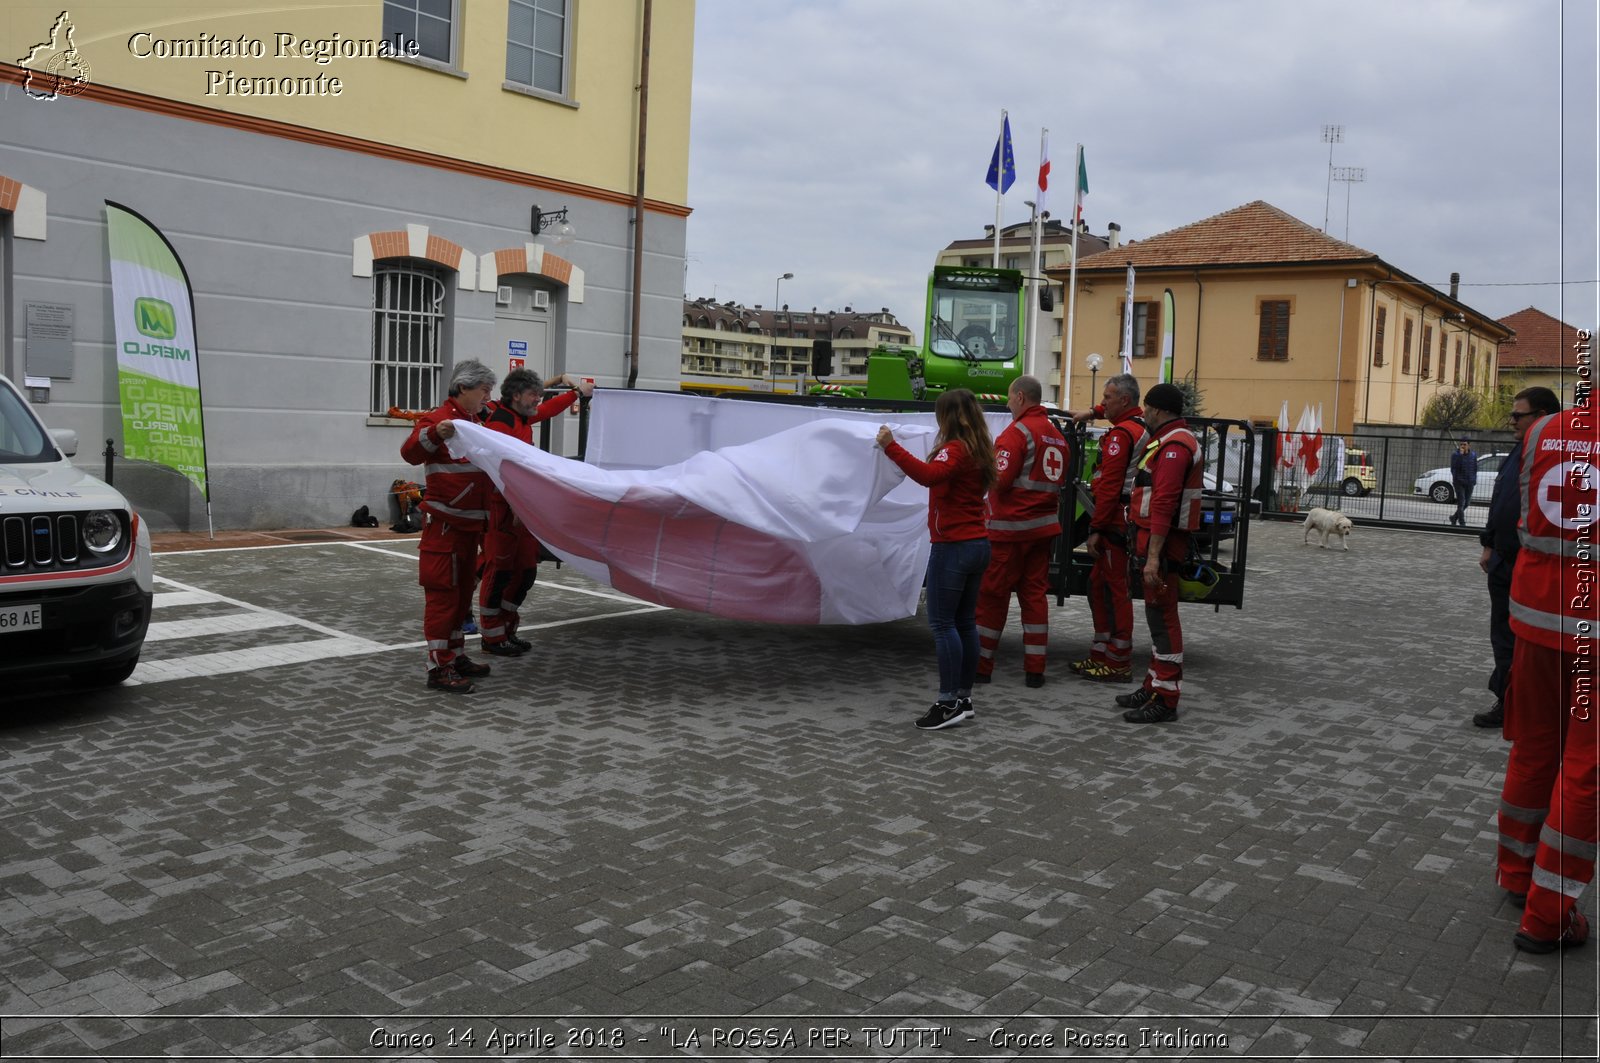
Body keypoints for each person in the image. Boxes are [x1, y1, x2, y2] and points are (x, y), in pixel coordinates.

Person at [1494, 401, 1597, 954]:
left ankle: (1516, 873)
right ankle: (1548, 916)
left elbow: (1518, 511)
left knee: (1534, 749)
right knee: (1585, 772)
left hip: (1536, 618)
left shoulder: (1544, 431)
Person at [876, 389, 996, 731]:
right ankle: (963, 698)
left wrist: (890, 447)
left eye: (940, 414)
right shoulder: (979, 447)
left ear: (952, 417)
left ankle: (947, 703)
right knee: (965, 623)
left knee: (943, 625)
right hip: (976, 543)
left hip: (954, 546)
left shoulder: (956, 449)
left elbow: (929, 477)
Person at [478, 370, 596, 656]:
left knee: (526, 572)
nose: (538, 400)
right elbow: (498, 470)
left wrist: (577, 394)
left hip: (521, 510)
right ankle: (492, 637)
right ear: (516, 395)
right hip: (504, 511)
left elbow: (546, 410)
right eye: (532, 394)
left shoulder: (521, 417)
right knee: (500, 574)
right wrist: (517, 504)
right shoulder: (500, 424)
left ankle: (507, 628)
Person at [400, 359, 498, 694]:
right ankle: (438, 667)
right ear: (463, 388)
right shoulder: (439, 419)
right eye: (484, 390)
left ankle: (455, 656)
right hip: (445, 526)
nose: (488, 397)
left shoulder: (474, 421)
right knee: (443, 596)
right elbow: (410, 453)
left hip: (470, 528)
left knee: (461, 596)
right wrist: (432, 434)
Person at [1114, 382, 1203, 724]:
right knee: (1156, 615)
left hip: (1162, 545)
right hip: (1155, 541)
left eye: (1147, 408)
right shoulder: (1169, 441)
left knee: (1163, 618)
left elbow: (1164, 503)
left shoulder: (1174, 445)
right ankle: (1154, 684)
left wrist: (1153, 557)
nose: (1144, 413)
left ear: (1159, 409)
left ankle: (1166, 697)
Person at [1474, 387, 1562, 728]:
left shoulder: (1551, 455)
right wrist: (1489, 544)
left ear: (1541, 418)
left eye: (1517, 415)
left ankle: (1532, 706)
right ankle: (1506, 699)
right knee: (1503, 634)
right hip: (1503, 560)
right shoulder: (1517, 452)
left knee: (1531, 640)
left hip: (1534, 566)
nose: (1511, 420)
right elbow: (1500, 500)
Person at [975, 375, 1067, 688]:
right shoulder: (1057, 436)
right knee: (1034, 597)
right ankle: (1035, 670)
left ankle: (981, 666)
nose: (1007, 402)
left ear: (1021, 397)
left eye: (1010, 397)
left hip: (1009, 531)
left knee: (992, 596)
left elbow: (999, 480)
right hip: (1042, 531)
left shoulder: (1016, 433)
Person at [1064, 373, 1148, 682]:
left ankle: (1117, 662)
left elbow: (1111, 486)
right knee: (1097, 585)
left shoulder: (1122, 435)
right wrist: (1093, 412)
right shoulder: (1138, 425)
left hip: (1115, 521)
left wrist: (1095, 529)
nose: (1103, 402)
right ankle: (1101, 655)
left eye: (1107, 397)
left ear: (1124, 400)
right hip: (1120, 519)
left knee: (1114, 591)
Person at [1449, 438, 1478, 526]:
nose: (1462, 446)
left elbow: (1475, 468)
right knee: (1461, 503)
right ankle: (1462, 523)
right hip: (1459, 482)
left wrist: (1474, 479)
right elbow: (1454, 468)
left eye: (1464, 444)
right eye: (1461, 444)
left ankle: (1454, 517)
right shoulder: (1455, 455)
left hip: (1470, 482)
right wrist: (1460, 456)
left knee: (1467, 503)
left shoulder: (1473, 455)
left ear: (1469, 445)